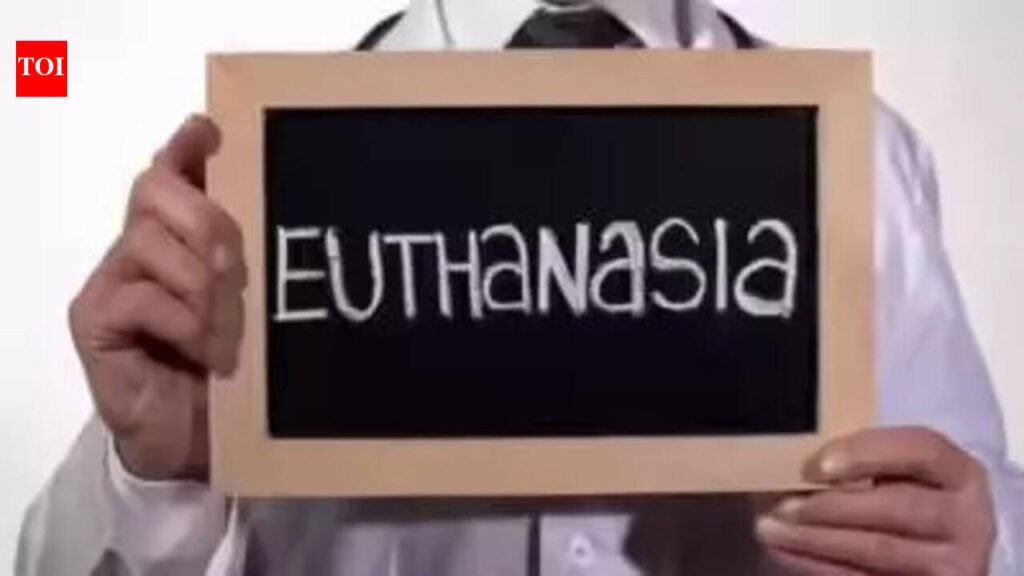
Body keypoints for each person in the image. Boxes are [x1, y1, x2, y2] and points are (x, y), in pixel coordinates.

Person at [17, 0, 1024, 574]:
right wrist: (149, 475)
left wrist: (981, 544)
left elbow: (972, 500)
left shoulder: (859, 153)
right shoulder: (261, 162)